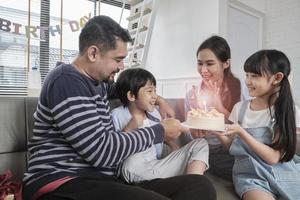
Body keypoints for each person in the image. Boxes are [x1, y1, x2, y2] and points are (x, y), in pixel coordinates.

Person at [22, 15, 216, 200]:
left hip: (104, 181)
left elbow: (132, 91)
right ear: (93, 53)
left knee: (200, 186)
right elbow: (101, 151)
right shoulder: (66, 81)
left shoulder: (98, 83)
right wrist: (160, 131)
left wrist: (160, 100)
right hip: (63, 180)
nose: (122, 66)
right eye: (118, 59)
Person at [216, 49, 300, 200]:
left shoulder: (287, 111)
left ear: (277, 78)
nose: (248, 81)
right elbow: (233, 148)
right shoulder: (239, 108)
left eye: (254, 76)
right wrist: (217, 132)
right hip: (251, 178)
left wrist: (242, 133)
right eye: (247, 75)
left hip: (282, 173)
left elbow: (274, 158)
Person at [112, 68, 209, 183]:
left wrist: (174, 147)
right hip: (135, 166)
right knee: (131, 163)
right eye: (149, 91)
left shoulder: (153, 113)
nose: (155, 96)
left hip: (156, 163)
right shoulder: (116, 115)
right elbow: (114, 150)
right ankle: (180, 183)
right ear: (132, 96)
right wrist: (130, 127)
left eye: (155, 91)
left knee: (201, 144)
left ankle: (193, 183)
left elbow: (163, 135)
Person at [184, 35, 242, 181]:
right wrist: (195, 132)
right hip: (210, 151)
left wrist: (220, 107)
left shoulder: (242, 89)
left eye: (210, 64)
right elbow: (189, 132)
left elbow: (247, 130)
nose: (203, 70)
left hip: (237, 148)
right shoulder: (192, 94)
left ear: (226, 63)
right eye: (199, 63)